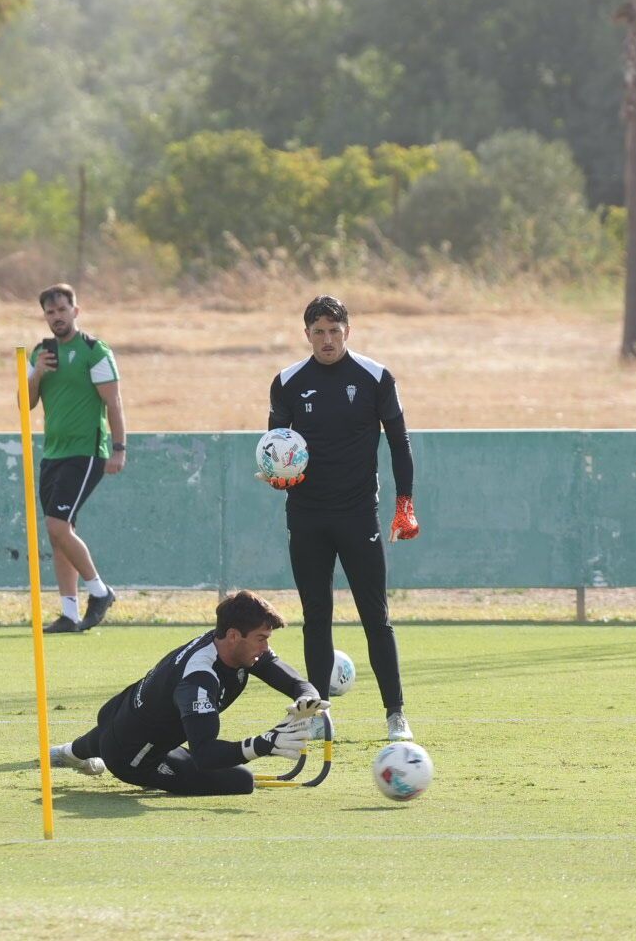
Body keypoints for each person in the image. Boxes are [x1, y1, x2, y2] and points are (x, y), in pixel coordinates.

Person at [264, 294, 419, 741]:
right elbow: (277, 445)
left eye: (335, 331)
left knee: (376, 616)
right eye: (319, 332)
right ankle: (316, 716)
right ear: (306, 334)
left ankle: (395, 714)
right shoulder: (288, 382)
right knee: (317, 616)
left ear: (347, 331)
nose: (327, 339)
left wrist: (404, 501)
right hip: (307, 516)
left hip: (358, 516)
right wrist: (278, 476)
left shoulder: (375, 377)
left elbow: (399, 443)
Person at [50, 590, 330, 795]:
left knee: (123, 730)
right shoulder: (198, 678)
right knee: (240, 782)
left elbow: (287, 677)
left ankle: (67, 753)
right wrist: (265, 743)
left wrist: (307, 694)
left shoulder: (226, 643)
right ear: (234, 635)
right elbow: (205, 754)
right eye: (261, 639)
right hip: (135, 759)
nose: (265, 648)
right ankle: (92, 756)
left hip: (122, 715)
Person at [27, 283, 125, 633]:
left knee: (57, 524)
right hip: (53, 452)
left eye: (62, 310)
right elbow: (24, 403)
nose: (57, 317)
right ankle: (69, 613)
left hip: (86, 452)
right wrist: (37, 373)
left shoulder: (94, 351)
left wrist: (119, 448)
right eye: (50, 312)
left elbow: (113, 402)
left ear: (75, 311)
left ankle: (100, 591)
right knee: (59, 533)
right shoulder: (40, 352)